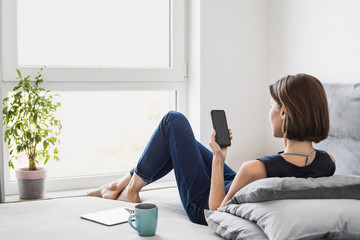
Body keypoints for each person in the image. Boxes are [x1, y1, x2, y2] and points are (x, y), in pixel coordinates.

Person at [88, 73, 336, 225]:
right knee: (183, 143)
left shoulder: (255, 169)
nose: (268, 112)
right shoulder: (328, 162)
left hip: (203, 203)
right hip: (236, 184)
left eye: (271, 105)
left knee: (173, 122)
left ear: (283, 112)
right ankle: (122, 183)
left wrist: (219, 158)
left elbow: (215, 211)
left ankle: (129, 189)